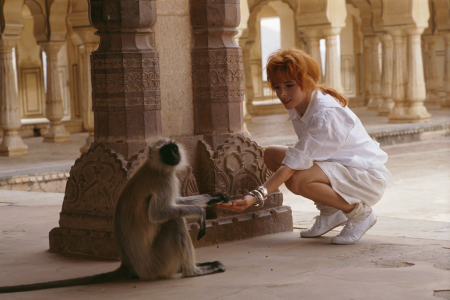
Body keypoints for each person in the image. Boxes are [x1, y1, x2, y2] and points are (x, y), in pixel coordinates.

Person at [217, 48, 391, 245]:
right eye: (277, 87)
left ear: (307, 81)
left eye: (289, 85)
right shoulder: (302, 105)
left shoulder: (325, 114)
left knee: (297, 179)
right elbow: (297, 157)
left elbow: (293, 164)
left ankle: (360, 214)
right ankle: (331, 212)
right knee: (272, 155)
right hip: (337, 168)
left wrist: (254, 197)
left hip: (364, 178)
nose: (282, 94)